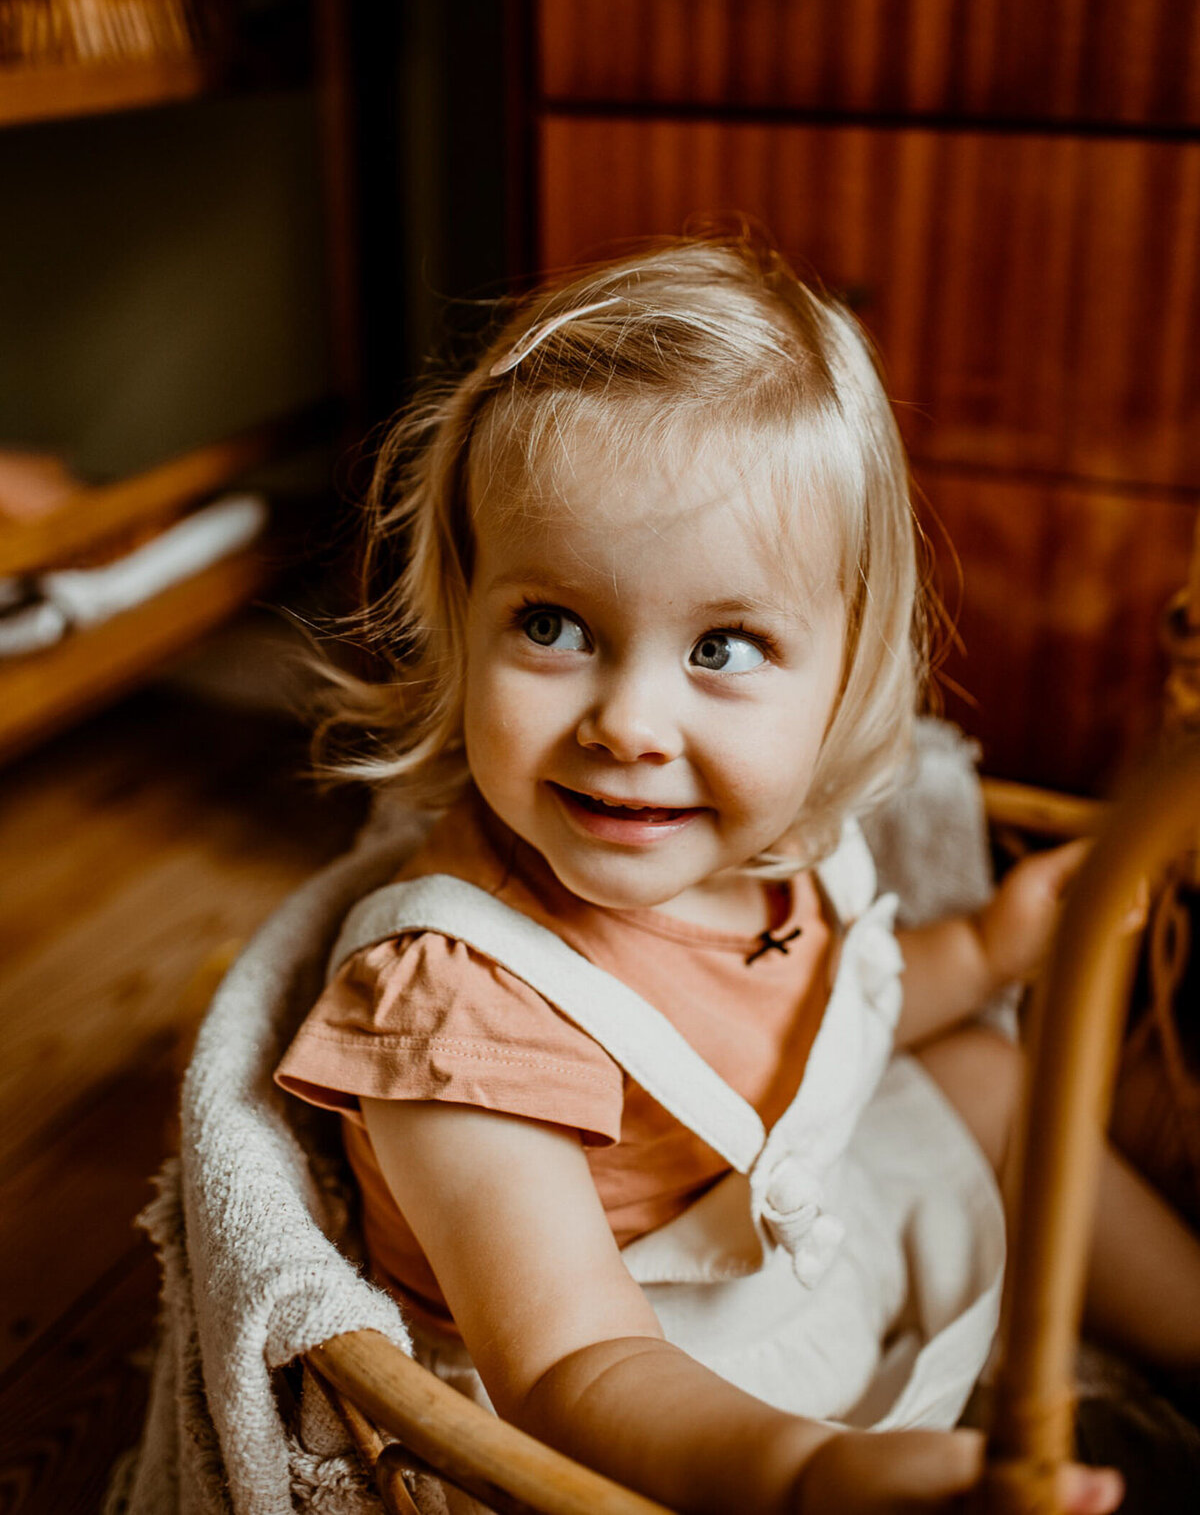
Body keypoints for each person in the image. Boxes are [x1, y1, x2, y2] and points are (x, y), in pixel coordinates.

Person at [278, 238, 1200, 1514]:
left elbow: (823, 1024)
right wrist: (809, 1471)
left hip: (786, 1248)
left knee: (985, 1068)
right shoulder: (454, 1001)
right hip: (654, 1401)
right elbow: (566, 1364)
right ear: (462, 613)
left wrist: (988, 949)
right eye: (553, 626)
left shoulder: (771, 853)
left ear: (841, 675)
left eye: (724, 643)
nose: (631, 725)